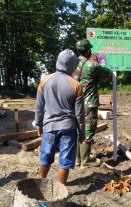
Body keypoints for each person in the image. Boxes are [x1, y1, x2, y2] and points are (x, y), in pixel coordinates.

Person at [34, 49, 85, 184]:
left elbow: (39, 107)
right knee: (65, 161)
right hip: (69, 128)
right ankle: (60, 190)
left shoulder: (44, 81)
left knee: (45, 158)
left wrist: (39, 125)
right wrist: (82, 132)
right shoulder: (76, 85)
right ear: (73, 66)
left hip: (49, 127)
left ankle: (42, 184)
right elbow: (79, 114)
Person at [73, 39, 108, 168]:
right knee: (88, 129)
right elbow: (106, 74)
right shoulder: (92, 65)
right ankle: (86, 161)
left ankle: (77, 159)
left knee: (77, 129)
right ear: (88, 50)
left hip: (74, 103)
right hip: (89, 103)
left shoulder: (72, 63)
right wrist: (95, 62)